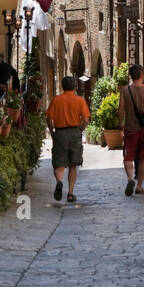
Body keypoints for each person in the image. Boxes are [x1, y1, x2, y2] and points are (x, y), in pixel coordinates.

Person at [46, 75, 90, 203]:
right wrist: (80, 130)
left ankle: (59, 181)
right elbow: (86, 119)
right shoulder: (80, 100)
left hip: (60, 132)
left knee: (59, 163)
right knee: (73, 164)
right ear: (75, 87)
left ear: (62, 86)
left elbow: (49, 118)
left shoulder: (56, 100)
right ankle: (70, 193)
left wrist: (52, 132)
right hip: (74, 132)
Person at [118, 63, 144, 196]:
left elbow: (121, 109)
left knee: (128, 156)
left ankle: (130, 178)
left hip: (130, 128)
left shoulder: (125, 91)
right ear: (141, 75)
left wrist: (121, 123)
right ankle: (139, 186)